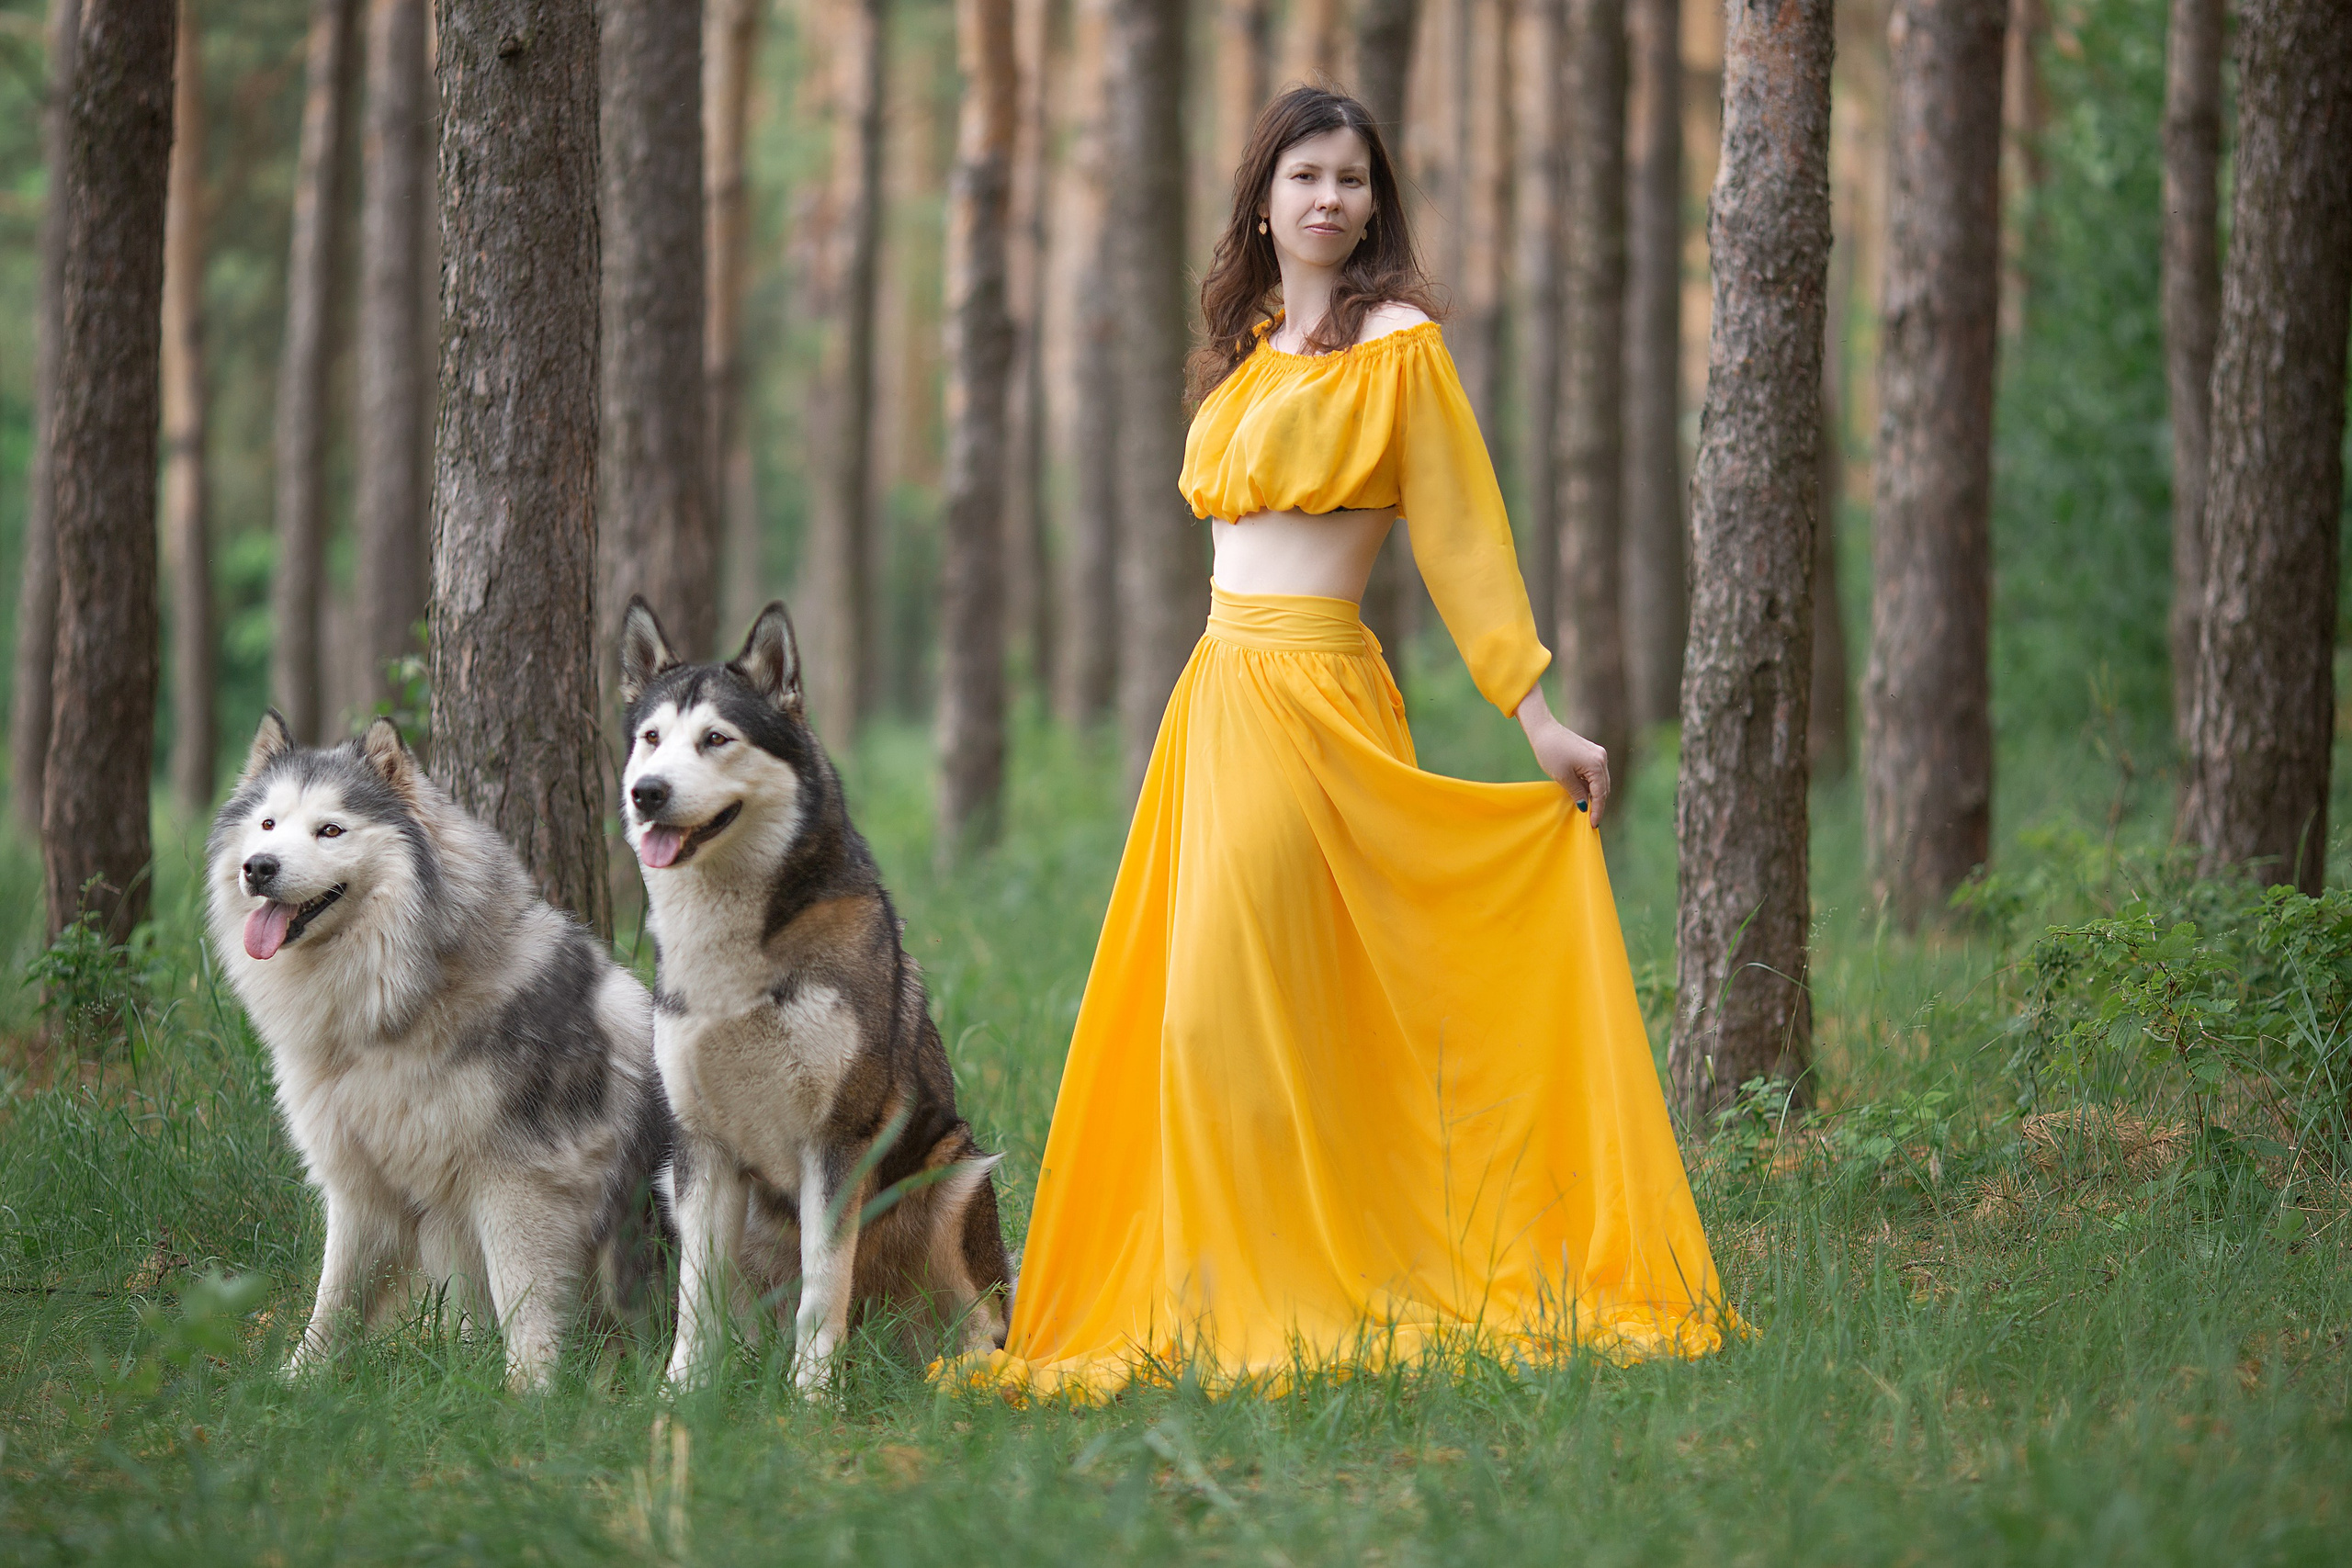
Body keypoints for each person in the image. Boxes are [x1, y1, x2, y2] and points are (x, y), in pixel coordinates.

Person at [967, 86, 1732, 1396]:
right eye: (1307, 175)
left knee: (1223, 1006)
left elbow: (1464, 532)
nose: (1331, 198)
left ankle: (1295, 1285)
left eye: (1353, 178)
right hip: (1216, 700)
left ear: (1376, 203)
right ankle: (1218, 1285)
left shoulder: (1400, 345)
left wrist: (1535, 712)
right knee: (1204, 1012)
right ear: (1263, 199)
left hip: (1316, 698)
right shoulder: (1249, 347)